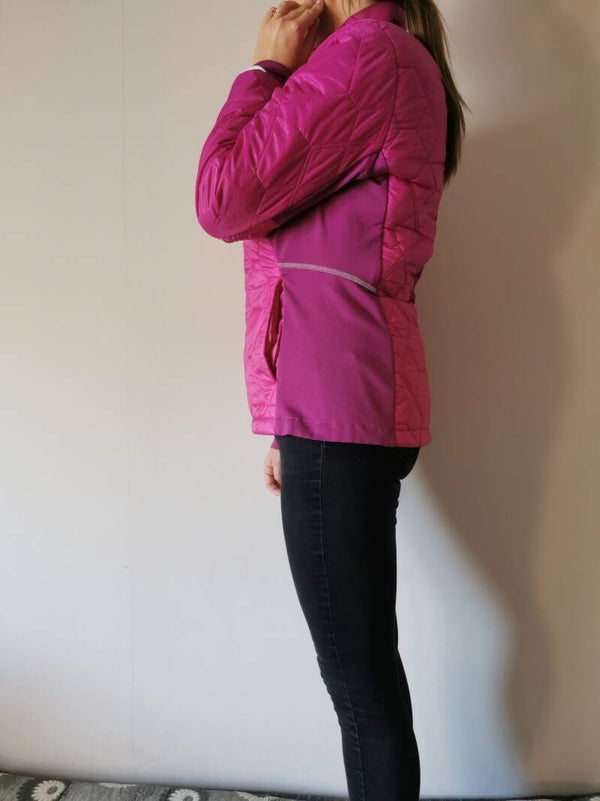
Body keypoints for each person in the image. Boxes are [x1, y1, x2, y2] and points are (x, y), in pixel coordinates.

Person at [195, 1, 468, 798]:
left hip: (339, 405)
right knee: (364, 681)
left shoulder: (371, 56)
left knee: (361, 689)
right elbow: (315, 248)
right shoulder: (381, 57)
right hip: (340, 401)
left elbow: (224, 197)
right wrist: (288, 421)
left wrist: (265, 70)